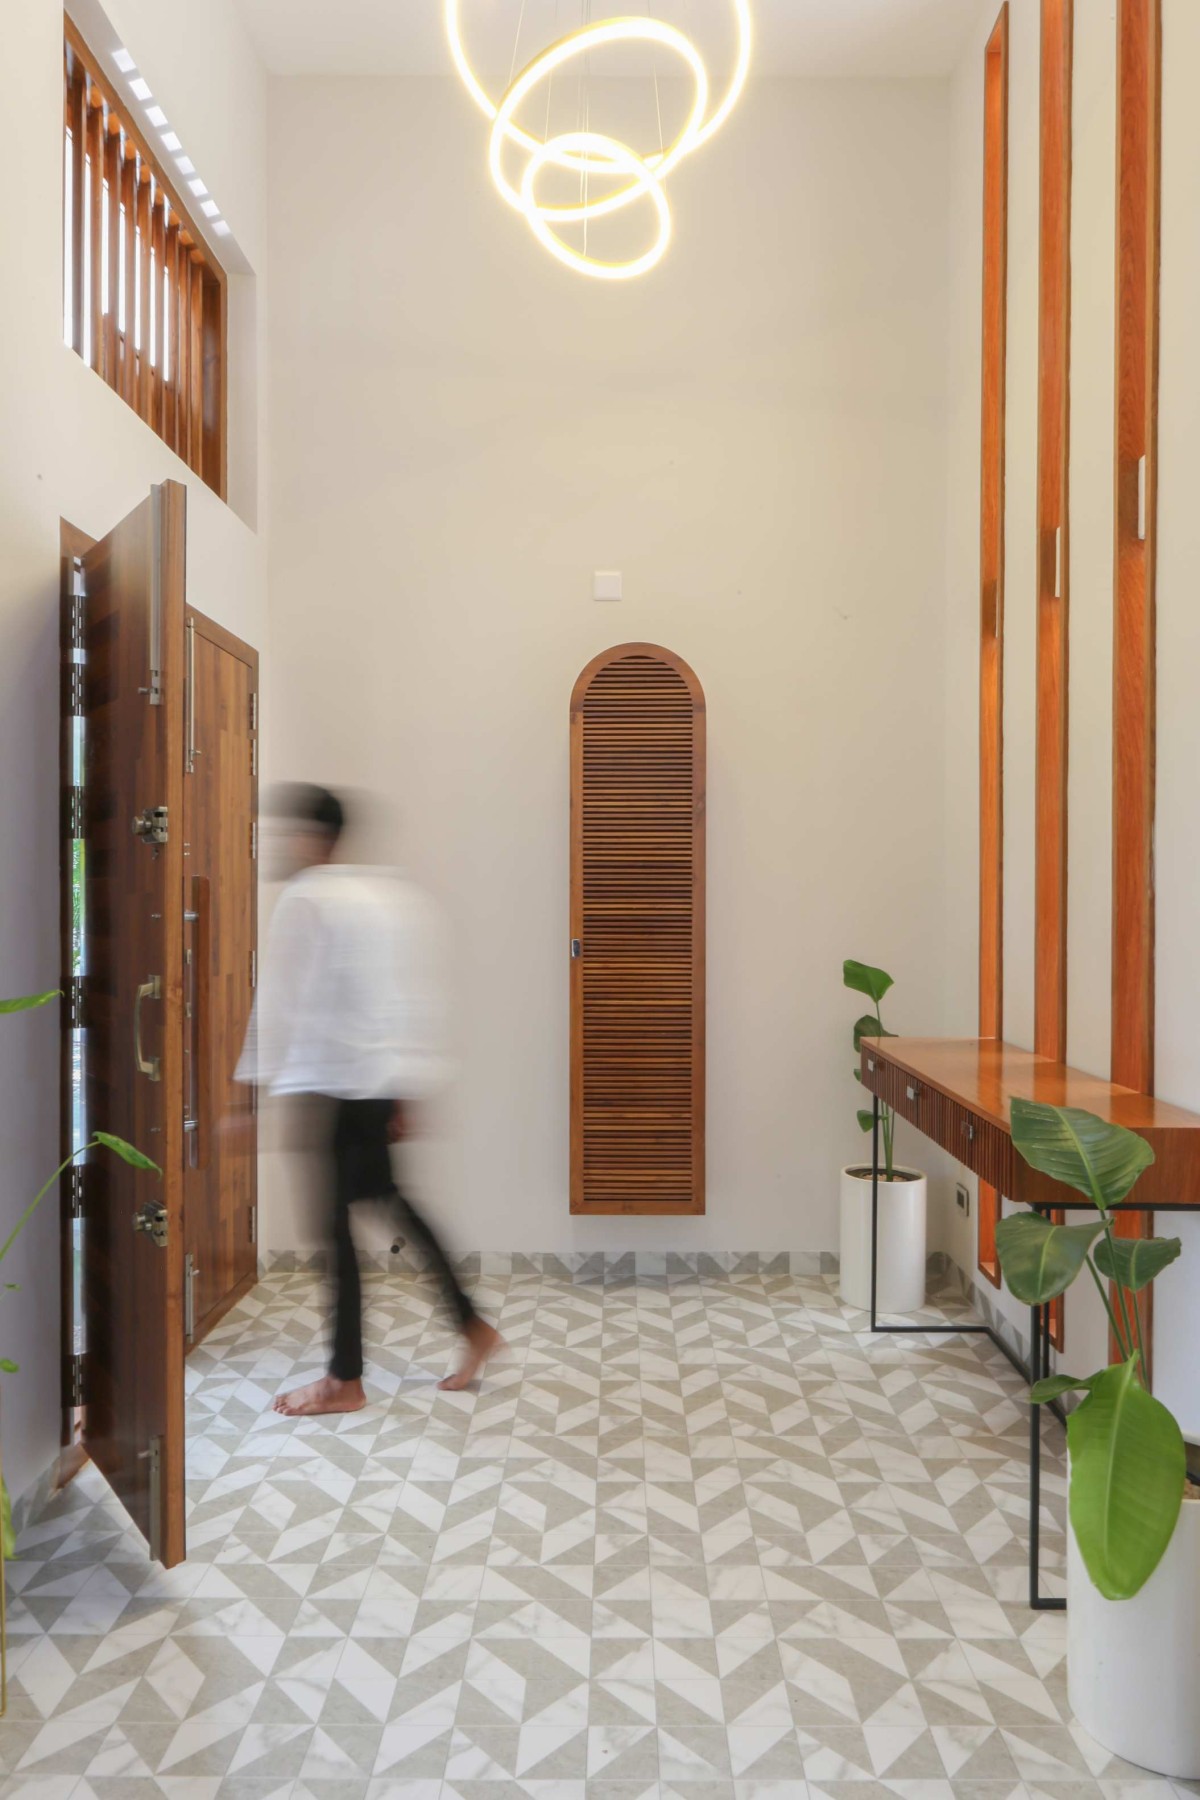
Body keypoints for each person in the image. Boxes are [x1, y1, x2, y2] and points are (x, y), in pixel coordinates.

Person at [237, 784, 500, 1414]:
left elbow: (279, 1002)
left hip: (330, 1088)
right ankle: (472, 1327)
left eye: (286, 832)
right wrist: (405, 1092)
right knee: (393, 1207)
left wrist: (247, 1094)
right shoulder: (387, 896)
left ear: (312, 836)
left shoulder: (306, 899)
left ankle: (344, 1379)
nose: (279, 845)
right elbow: (406, 998)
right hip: (375, 1086)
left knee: (336, 1230)